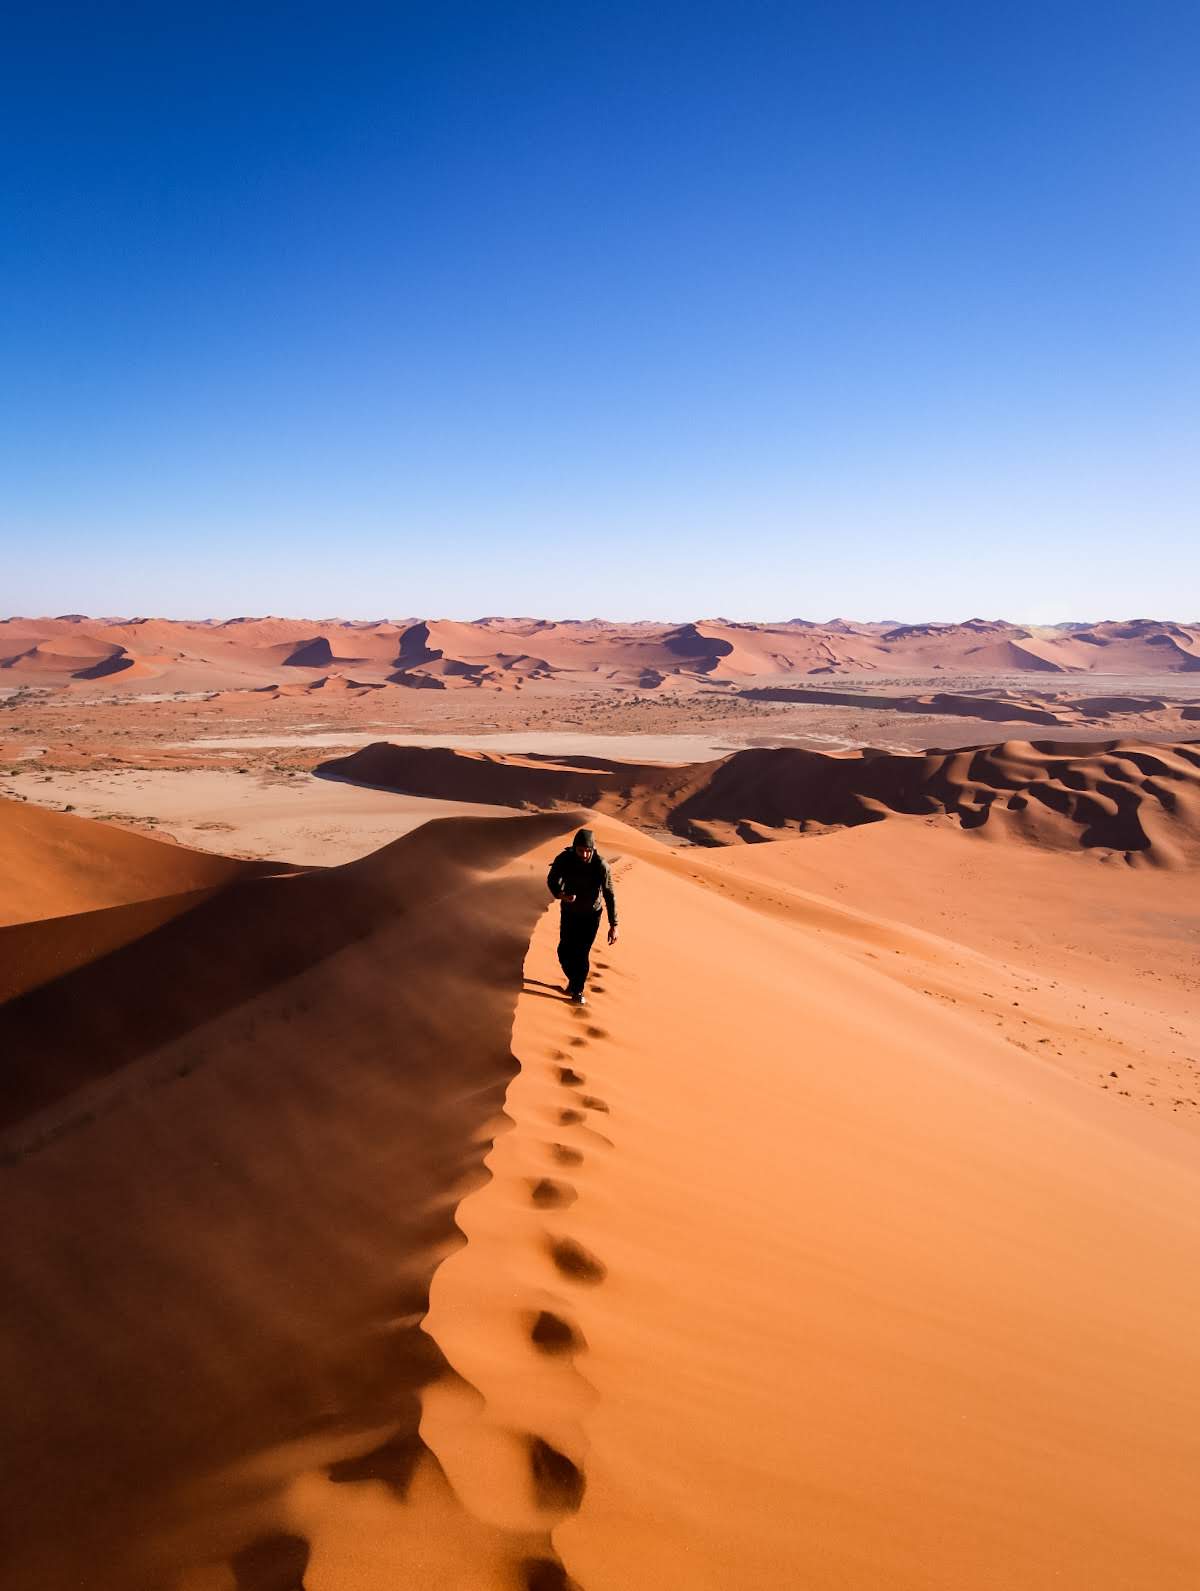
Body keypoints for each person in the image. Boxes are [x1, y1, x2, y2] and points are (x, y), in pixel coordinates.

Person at [546, 828, 618, 1004]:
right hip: (570, 913)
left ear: (593, 849)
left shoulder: (601, 865)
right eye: (580, 850)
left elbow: (609, 894)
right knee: (564, 951)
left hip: (591, 915)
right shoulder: (565, 859)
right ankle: (574, 979)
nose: (584, 854)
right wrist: (561, 895)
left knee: (581, 952)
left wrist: (613, 925)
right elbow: (551, 879)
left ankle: (578, 990)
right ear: (574, 848)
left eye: (588, 850)